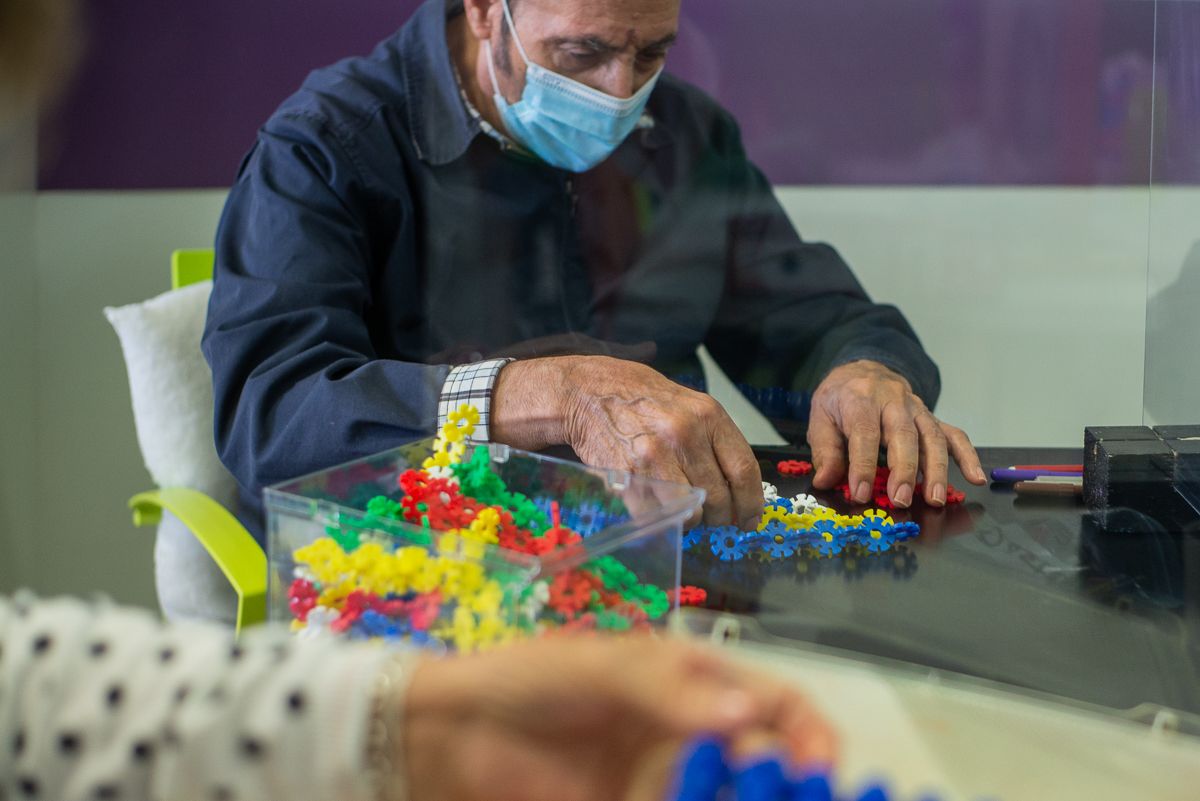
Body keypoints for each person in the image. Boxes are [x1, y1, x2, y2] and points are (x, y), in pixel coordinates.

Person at [202, 0, 987, 542]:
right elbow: (271, 417)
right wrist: (550, 394)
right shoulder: (326, 148)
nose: (621, 92)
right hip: (423, 584)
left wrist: (861, 374)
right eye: (583, 52)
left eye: (650, 51)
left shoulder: (681, 135)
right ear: (484, 10)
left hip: (660, 570)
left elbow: (809, 320)